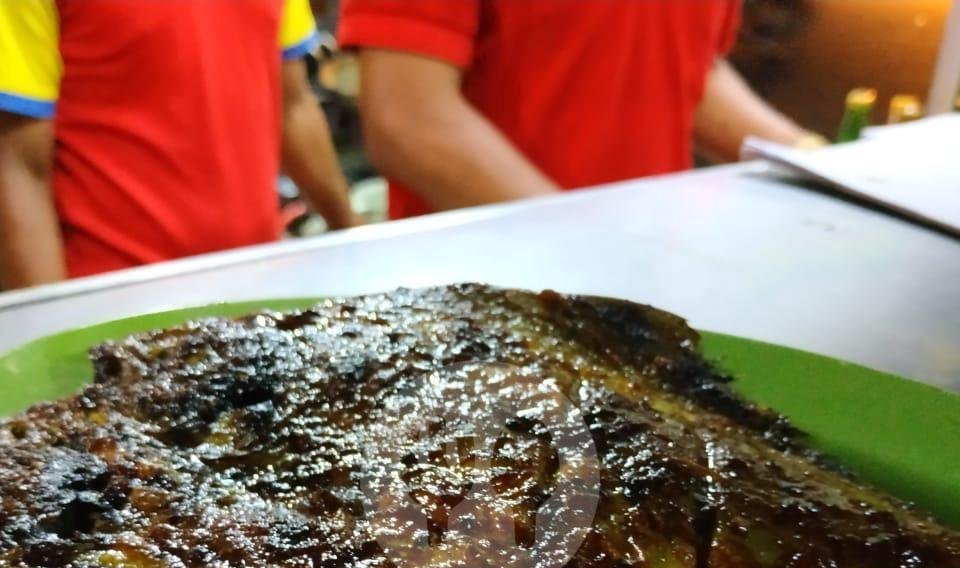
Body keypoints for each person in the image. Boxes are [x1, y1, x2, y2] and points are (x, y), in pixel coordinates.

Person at [338, 0, 824, 219]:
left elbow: (681, 62)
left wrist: (812, 159)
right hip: (486, 307)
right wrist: (591, 248)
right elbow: (409, 120)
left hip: (646, 278)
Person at [0, 0, 360, 289]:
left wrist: (356, 238)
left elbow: (292, 103)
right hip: (115, 309)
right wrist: (50, 345)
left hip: (255, 294)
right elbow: (16, 161)